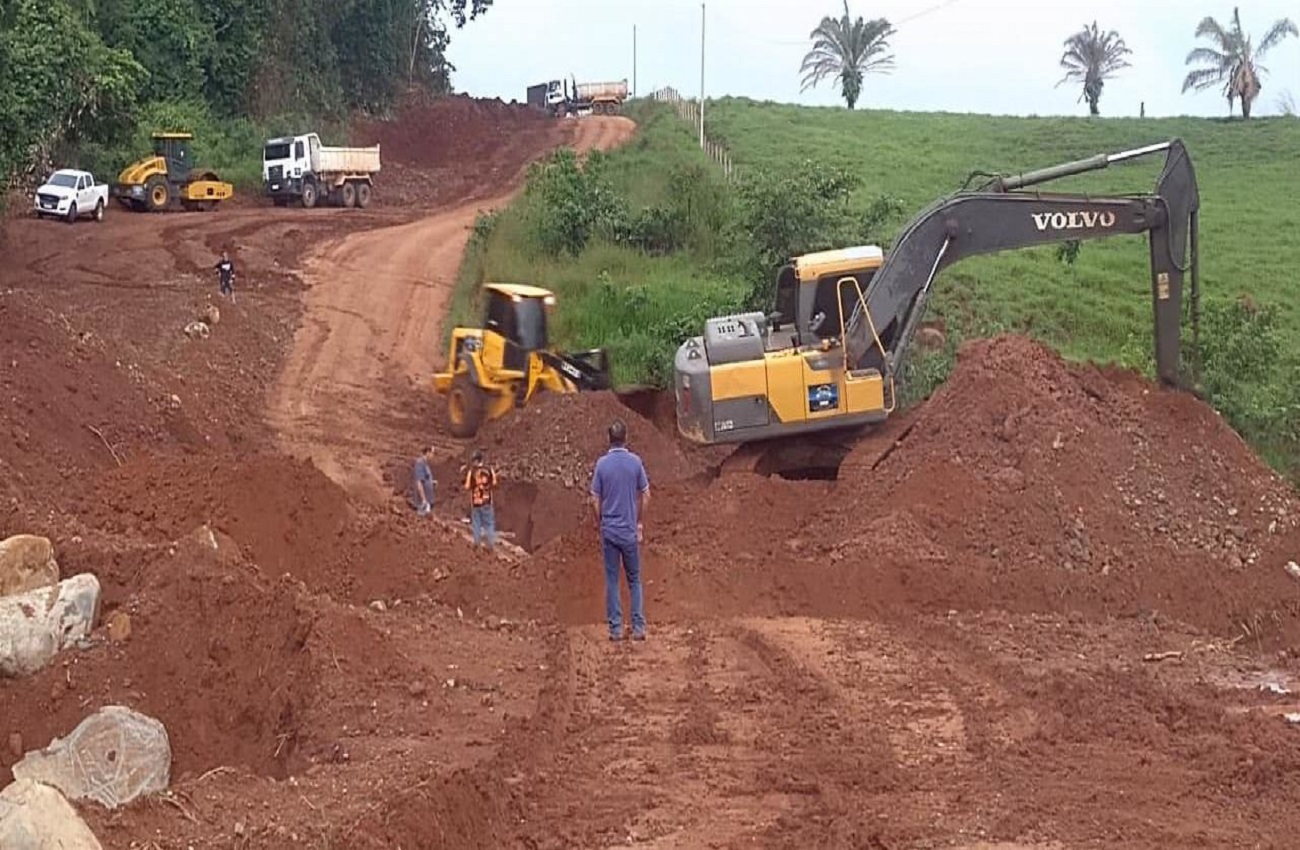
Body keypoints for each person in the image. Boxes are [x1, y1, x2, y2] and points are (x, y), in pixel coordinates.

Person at [590, 418, 650, 642]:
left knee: (613, 579)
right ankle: (638, 628)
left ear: (609, 439)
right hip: (629, 531)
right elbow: (646, 494)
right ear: (626, 438)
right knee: (634, 579)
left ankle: (615, 630)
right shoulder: (635, 462)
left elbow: (594, 499)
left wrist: (600, 521)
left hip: (610, 531)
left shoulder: (602, 464)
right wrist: (639, 521)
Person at [463, 448, 498, 549]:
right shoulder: (489, 469)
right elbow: (495, 483)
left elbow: (467, 486)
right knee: (489, 524)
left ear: (476, 460)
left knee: (476, 524)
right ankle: (490, 545)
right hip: (487, 502)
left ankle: (477, 544)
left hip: (476, 502)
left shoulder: (472, 472)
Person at [412, 446, 437, 516]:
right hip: (423, 503)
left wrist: (431, 482)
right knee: (423, 519)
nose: (433, 456)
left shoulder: (425, 464)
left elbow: (425, 478)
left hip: (427, 501)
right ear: (428, 452)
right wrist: (424, 500)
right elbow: (419, 482)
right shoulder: (420, 464)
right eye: (433, 453)